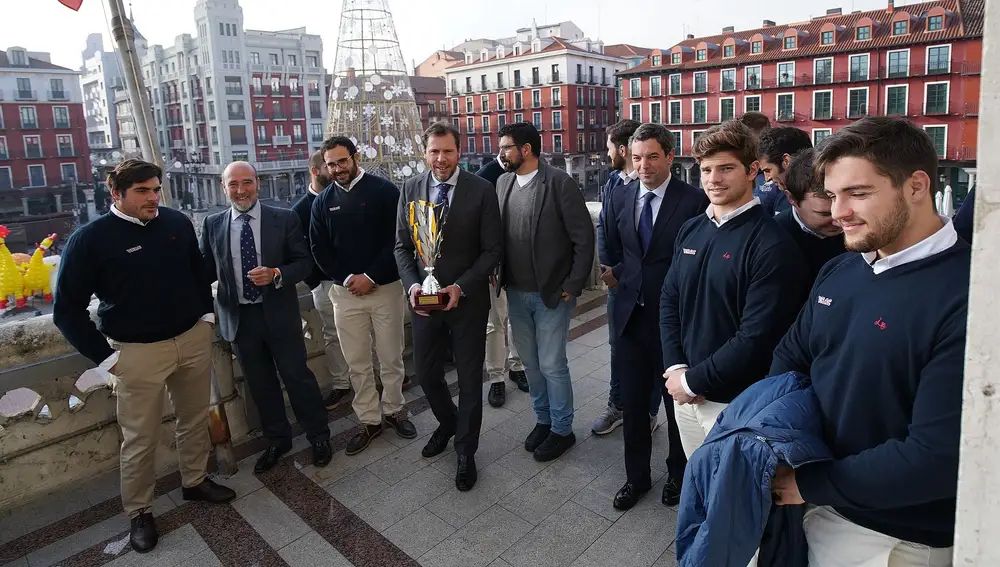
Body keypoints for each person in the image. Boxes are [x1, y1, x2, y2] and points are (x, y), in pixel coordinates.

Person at [769, 117, 969, 567]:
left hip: (897, 537)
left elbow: (936, 456)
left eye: (857, 193)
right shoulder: (843, 269)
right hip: (817, 502)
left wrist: (808, 483)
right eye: (833, 195)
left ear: (916, 186)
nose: (838, 212)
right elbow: (790, 358)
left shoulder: (971, 294)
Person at [53, 159, 236, 553]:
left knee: (194, 419)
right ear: (116, 193)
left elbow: (198, 272)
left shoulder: (176, 223)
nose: (153, 198)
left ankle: (194, 482)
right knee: (139, 438)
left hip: (191, 340)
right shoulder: (89, 239)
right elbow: (65, 311)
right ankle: (139, 512)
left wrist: (205, 317)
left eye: (156, 189)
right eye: (143, 191)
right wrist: (108, 359)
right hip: (135, 353)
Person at [660, 121, 807, 461]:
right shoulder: (691, 229)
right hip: (685, 392)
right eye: (706, 169)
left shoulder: (772, 245)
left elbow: (757, 336)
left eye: (726, 168)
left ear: (752, 169)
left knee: (732, 497)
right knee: (700, 483)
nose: (713, 179)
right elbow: (670, 299)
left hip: (736, 402)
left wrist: (693, 381)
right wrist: (676, 367)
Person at [600, 123, 707, 511]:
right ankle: (636, 478)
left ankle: (678, 474)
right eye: (637, 156)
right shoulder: (619, 194)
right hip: (629, 316)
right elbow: (612, 243)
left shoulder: (694, 200)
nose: (643, 165)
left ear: (670, 157)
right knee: (631, 404)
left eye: (652, 156)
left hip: (674, 322)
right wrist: (612, 273)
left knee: (676, 404)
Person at [200, 162, 332, 473]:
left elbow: (304, 263)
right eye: (233, 184)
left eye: (247, 182)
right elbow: (203, 271)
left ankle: (319, 436)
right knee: (260, 385)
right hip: (240, 319)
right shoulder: (213, 224)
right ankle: (277, 439)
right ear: (224, 187)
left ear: (257, 183)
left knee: (298, 377)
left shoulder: (283, 219)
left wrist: (276, 274)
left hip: (279, 314)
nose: (241, 190)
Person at [395, 122, 502, 491]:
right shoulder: (410, 188)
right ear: (425, 153)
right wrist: (411, 286)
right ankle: (448, 422)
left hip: (467, 302)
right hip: (424, 304)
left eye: (448, 151)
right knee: (426, 374)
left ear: (460, 152)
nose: (441, 159)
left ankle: (465, 451)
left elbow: (493, 250)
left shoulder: (481, 190)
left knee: (471, 379)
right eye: (434, 151)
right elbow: (401, 247)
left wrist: (461, 285)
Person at [496, 122, 595, 462]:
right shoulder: (503, 182)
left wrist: (572, 284)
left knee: (553, 364)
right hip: (516, 291)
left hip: (552, 293)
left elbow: (584, 237)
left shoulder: (558, 183)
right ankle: (543, 420)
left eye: (506, 147)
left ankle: (563, 429)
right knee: (531, 364)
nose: (501, 153)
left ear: (525, 149)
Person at [310, 137, 416, 456]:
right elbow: (319, 250)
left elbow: (399, 238)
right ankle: (369, 420)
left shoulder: (384, 191)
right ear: (325, 167)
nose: (338, 169)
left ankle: (395, 410)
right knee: (356, 362)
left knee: (391, 357)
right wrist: (347, 279)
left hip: (385, 289)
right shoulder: (322, 202)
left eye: (343, 161)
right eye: (331, 164)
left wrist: (370, 276)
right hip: (344, 295)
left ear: (355, 158)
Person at [593, 118, 662, 436]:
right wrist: (608, 268)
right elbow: (604, 229)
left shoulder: (658, 189)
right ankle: (617, 405)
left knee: (652, 350)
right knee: (618, 347)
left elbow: (651, 244)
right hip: (616, 287)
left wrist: (621, 272)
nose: (607, 154)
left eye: (609, 147)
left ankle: (649, 410)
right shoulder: (611, 183)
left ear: (622, 148)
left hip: (645, 285)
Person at [291, 151, 352, 409]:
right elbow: (299, 252)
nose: (335, 171)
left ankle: (378, 379)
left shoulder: (346, 196)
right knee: (331, 336)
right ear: (316, 171)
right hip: (325, 285)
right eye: (329, 167)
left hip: (354, 282)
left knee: (367, 333)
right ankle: (341, 384)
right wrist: (315, 283)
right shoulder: (298, 211)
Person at [476, 155, 528, 408]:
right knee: (494, 323)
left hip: (520, 264)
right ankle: (496, 377)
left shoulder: (528, 173)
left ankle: (517, 367)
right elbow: (475, 224)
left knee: (516, 319)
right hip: (494, 266)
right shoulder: (485, 175)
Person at [773, 148, 846, 283]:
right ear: (792, 199)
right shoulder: (771, 239)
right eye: (825, 214)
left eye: (844, 209)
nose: (839, 221)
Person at [756, 126, 812, 216]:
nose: (767, 179)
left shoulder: (825, 199)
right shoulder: (782, 198)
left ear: (786, 161)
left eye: (767, 170)